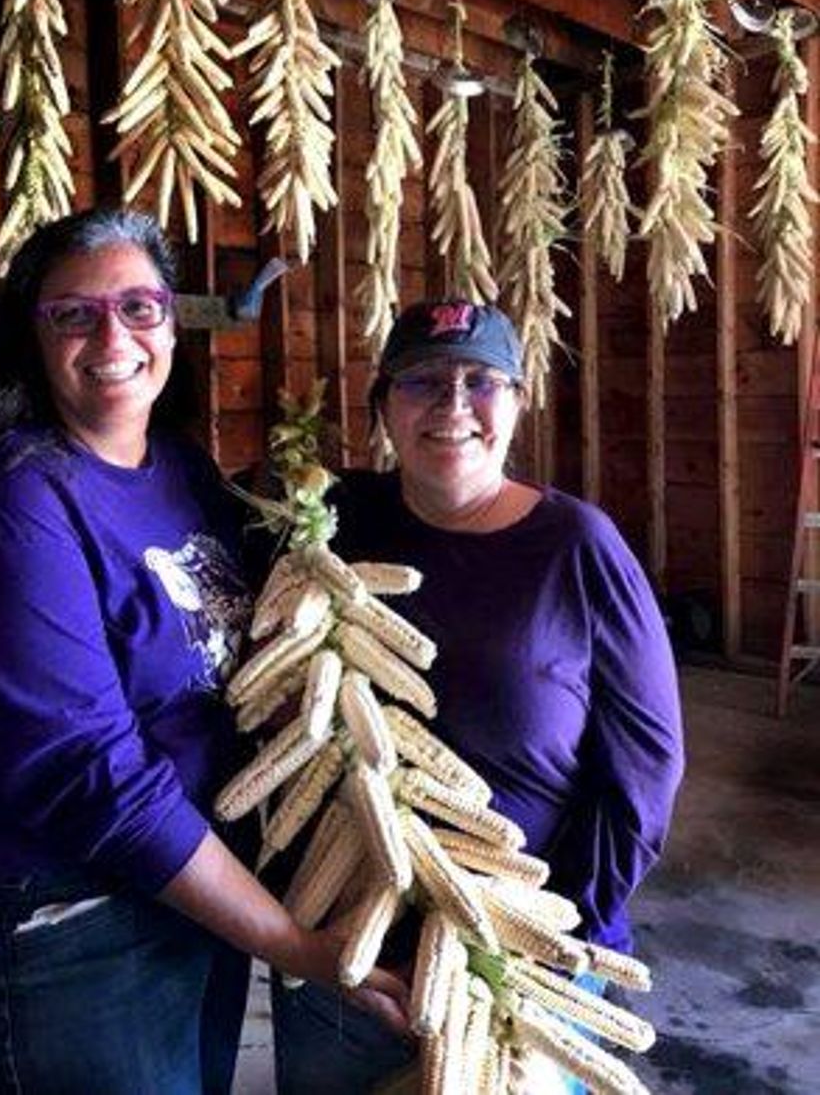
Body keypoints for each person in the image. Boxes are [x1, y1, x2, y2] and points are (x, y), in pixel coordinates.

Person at [0, 208, 406, 1095]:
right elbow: (86, 770)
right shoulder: (14, 503)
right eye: (75, 314)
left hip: (192, 893)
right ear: (32, 335)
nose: (113, 336)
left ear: (170, 327)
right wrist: (290, 941)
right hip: (73, 922)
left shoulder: (180, 470)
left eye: (139, 308)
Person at [271, 298, 685, 1095]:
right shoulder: (327, 524)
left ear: (518, 401)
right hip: (350, 956)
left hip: (522, 968)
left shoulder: (578, 546)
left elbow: (646, 771)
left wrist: (554, 937)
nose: (452, 406)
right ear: (382, 407)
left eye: (481, 381)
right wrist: (309, 934)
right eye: (422, 381)